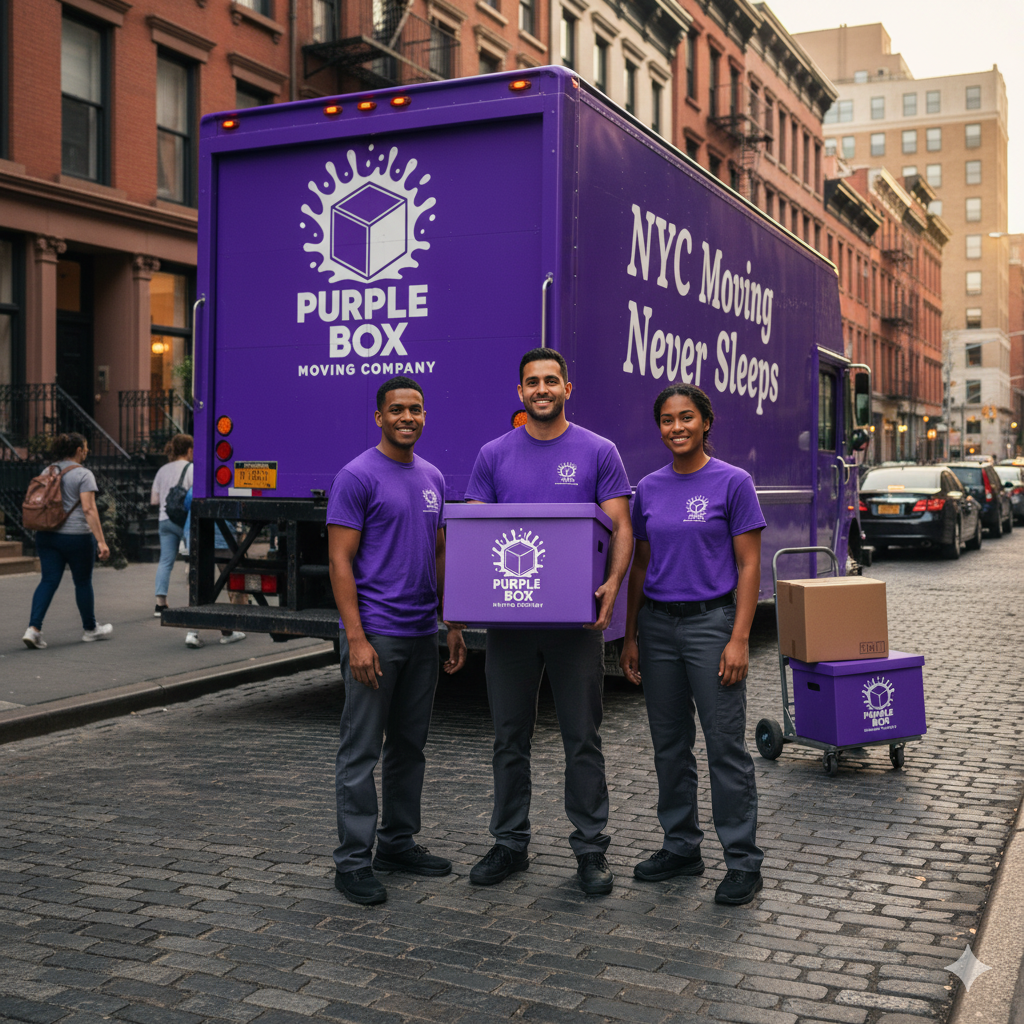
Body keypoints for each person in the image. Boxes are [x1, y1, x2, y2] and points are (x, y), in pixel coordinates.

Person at [464, 347, 633, 896]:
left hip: (574, 626)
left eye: (551, 381)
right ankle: (509, 843)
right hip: (509, 623)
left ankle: (590, 850)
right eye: (532, 382)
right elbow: (474, 533)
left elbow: (621, 526)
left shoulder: (597, 451)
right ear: (520, 392)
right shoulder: (493, 455)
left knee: (582, 737)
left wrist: (612, 585)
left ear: (567, 387)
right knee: (508, 737)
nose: (542, 389)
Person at [620, 384, 766, 906]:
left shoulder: (733, 482)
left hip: (712, 626)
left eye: (686, 418)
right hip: (658, 627)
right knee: (670, 745)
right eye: (666, 419)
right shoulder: (649, 488)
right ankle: (680, 846)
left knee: (725, 746)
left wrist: (739, 639)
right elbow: (640, 563)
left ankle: (743, 861)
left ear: (706, 422)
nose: (676, 427)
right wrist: (631, 635)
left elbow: (749, 565)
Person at [327, 375, 467, 905]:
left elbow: (438, 554)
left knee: (410, 746)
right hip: (377, 634)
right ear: (380, 417)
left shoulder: (432, 476)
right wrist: (356, 638)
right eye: (397, 410)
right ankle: (352, 862)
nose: (407, 417)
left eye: (416, 409)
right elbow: (340, 561)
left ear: (424, 416)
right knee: (361, 750)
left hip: (420, 631)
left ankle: (398, 843)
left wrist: (452, 622)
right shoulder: (357, 476)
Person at [22, 432, 113, 648]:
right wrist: (101, 541)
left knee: (48, 580)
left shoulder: (48, 471)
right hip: (76, 537)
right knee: (82, 582)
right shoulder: (84, 474)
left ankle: (33, 629)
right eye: (86, 448)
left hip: (46, 535)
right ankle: (90, 629)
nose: (87, 452)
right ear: (79, 450)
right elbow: (89, 509)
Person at [180, 488, 246, 648]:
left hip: (197, 534)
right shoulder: (230, 485)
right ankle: (231, 629)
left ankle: (192, 632)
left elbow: (188, 502)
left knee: (198, 586)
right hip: (223, 536)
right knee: (234, 581)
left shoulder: (200, 482)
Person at [152, 434, 193, 617]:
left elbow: (154, 500)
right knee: (193, 560)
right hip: (185, 521)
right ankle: (194, 600)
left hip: (164, 519)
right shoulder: (192, 469)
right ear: (189, 450)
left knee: (165, 561)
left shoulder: (162, 470)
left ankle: (160, 604)